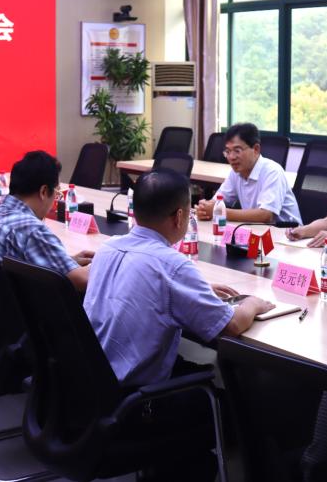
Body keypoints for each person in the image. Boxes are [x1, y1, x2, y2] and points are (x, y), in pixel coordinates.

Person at [85, 168, 274, 480]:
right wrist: (253, 303)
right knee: (240, 408)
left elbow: (145, 284)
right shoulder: (171, 265)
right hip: (136, 403)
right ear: (179, 217)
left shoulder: (109, 248)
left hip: (95, 389)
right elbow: (231, 326)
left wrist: (196, 290)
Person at [0, 150, 94, 292]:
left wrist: (66, 261)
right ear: (43, 191)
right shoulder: (33, 230)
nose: (54, 202)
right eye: (57, 193)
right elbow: (82, 281)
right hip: (26, 305)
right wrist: (104, 264)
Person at [194, 122, 300, 225]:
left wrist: (219, 211)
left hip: (287, 233)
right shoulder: (236, 173)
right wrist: (205, 209)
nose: (231, 157)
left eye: (237, 151)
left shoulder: (272, 171)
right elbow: (218, 201)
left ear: (256, 149)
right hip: (257, 230)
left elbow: (266, 215)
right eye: (228, 151)